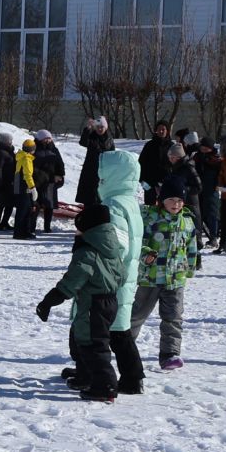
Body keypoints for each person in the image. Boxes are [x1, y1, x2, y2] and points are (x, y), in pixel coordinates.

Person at [37, 202, 127, 403]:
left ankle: (105, 386)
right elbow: (122, 275)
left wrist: (51, 299)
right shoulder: (110, 246)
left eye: (79, 227)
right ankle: (86, 376)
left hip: (94, 303)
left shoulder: (88, 251)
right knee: (83, 339)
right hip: (109, 300)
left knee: (92, 344)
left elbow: (74, 279)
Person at [132, 186, 202, 369]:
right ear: (162, 200)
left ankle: (170, 354)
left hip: (176, 278)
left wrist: (190, 267)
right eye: (171, 199)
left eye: (179, 200)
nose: (176, 204)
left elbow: (191, 246)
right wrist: (146, 254)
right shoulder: (151, 218)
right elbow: (140, 241)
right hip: (151, 277)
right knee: (137, 315)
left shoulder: (187, 221)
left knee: (173, 317)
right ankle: (122, 345)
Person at [96, 150, 147, 395]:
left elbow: (117, 243)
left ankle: (131, 376)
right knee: (118, 328)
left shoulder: (113, 204)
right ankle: (131, 376)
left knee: (111, 331)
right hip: (126, 273)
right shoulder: (129, 201)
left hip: (112, 276)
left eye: (102, 176)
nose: (99, 180)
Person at [32, 130, 66, 233]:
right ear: (39, 139)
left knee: (49, 205)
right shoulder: (34, 149)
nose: (47, 140)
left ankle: (47, 227)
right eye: (45, 138)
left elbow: (60, 163)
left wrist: (60, 175)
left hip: (50, 181)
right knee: (36, 205)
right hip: (37, 181)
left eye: (49, 138)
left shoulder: (54, 149)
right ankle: (31, 226)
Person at [76, 115, 113, 207]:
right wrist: (88, 128)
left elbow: (113, 155)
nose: (100, 129)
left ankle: (99, 216)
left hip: (104, 171)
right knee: (89, 196)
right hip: (91, 170)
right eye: (98, 127)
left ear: (105, 127)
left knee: (101, 196)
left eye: (102, 127)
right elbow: (83, 142)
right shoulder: (91, 136)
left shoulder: (109, 139)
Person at [191, 137, 222, 247]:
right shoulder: (196, 157)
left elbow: (221, 174)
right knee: (200, 215)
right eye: (202, 147)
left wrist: (218, 185)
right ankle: (200, 238)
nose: (203, 149)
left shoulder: (216, 159)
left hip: (211, 190)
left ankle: (213, 238)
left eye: (206, 147)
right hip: (198, 190)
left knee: (212, 214)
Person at [138, 121, 173, 205]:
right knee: (150, 207)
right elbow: (141, 163)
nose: (161, 131)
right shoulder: (149, 145)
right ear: (156, 131)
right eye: (159, 129)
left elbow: (176, 164)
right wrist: (142, 180)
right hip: (149, 183)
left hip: (166, 182)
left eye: (163, 129)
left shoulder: (172, 146)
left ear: (167, 131)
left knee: (166, 206)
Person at [12, 137, 39, 239]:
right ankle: (20, 233)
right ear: (32, 149)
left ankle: (21, 232)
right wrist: (33, 187)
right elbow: (27, 175)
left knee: (22, 210)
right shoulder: (27, 159)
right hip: (24, 186)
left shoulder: (20, 156)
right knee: (24, 211)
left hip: (18, 186)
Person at [0, 133, 17, 231]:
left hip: (9, 181)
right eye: (9, 140)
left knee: (8, 204)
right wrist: (1, 182)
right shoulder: (1, 152)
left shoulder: (9, 151)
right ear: (5, 141)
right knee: (2, 204)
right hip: (4, 182)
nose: (11, 142)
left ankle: (3, 222)